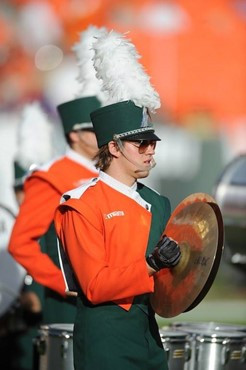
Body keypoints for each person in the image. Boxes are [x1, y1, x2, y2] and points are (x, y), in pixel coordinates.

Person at [54, 30, 181, 370]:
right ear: (113, 147)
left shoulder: (158, 201)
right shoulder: (81, 204)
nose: (150, 149)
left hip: (148, 334)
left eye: (152, 141)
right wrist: (152, 265)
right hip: (103, 336)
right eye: (140, 143)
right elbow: (95, 286)